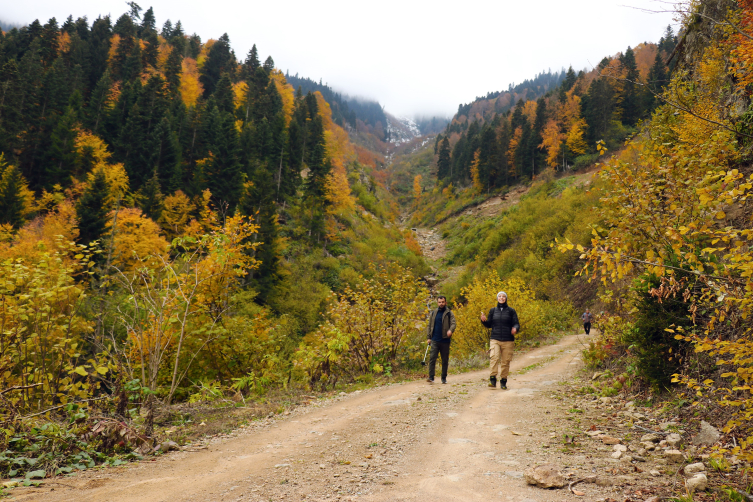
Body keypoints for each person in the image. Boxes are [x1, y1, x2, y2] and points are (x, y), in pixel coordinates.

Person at [480, 291, 519, 390]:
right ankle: (492, 379)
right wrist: (483, 321)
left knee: (505, 362)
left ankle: (503, 381)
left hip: (508, 340)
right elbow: (489, 325)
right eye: (500, 296)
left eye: (503, 296)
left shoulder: (511, 311)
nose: (501, 298)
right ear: (497, 298)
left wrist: (515, 329)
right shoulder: (493, 311)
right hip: (495, 339)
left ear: (506, 298)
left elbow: (516, 323)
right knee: (494, 358)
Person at [425, 296, 456, 384]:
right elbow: (429, 325)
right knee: (432, 358)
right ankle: (431, 377)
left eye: (442, 302)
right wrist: (428, 337)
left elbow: (453, 324)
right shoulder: (434, 313)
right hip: (435, 339)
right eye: (439, 302)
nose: (441, 304)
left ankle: (443, 378)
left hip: (445, 340)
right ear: (437, 303)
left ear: (445, 303)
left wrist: (450, 330)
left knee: (445, 360)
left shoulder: (449, 313)